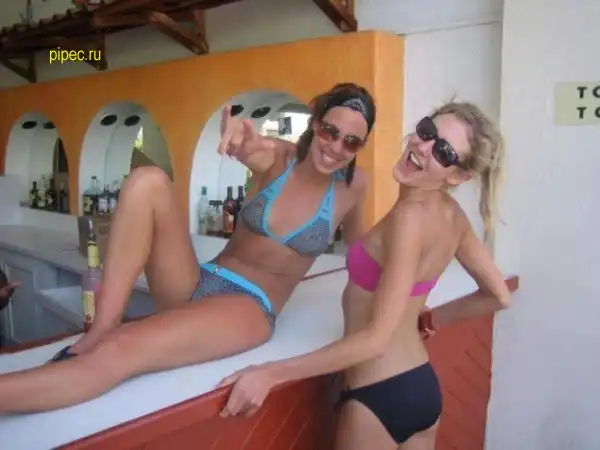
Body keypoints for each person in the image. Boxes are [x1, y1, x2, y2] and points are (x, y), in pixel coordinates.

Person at [0, 82, 376, 414]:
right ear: (316, 123)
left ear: (361, 145)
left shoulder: (353, 186)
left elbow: (359, 261)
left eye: (351, 141)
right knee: (147, 180)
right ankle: (102, 326)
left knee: (120, 349)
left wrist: (363, 330)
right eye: (330, 131)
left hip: (250, 307)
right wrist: (239, 143)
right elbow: (251, 148)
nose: (336, 147)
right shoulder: (279, 158)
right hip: (201, 278)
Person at [217, 102, 512, 450]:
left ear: (458, 176)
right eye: (427, 131)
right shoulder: (452, 215)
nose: (423, 146)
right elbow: (498, 295)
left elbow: (376, 341)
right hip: (421, 387)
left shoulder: (409, 219)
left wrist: (271, 373)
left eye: (444, 152)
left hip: (378, 395)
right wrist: (430, 320)